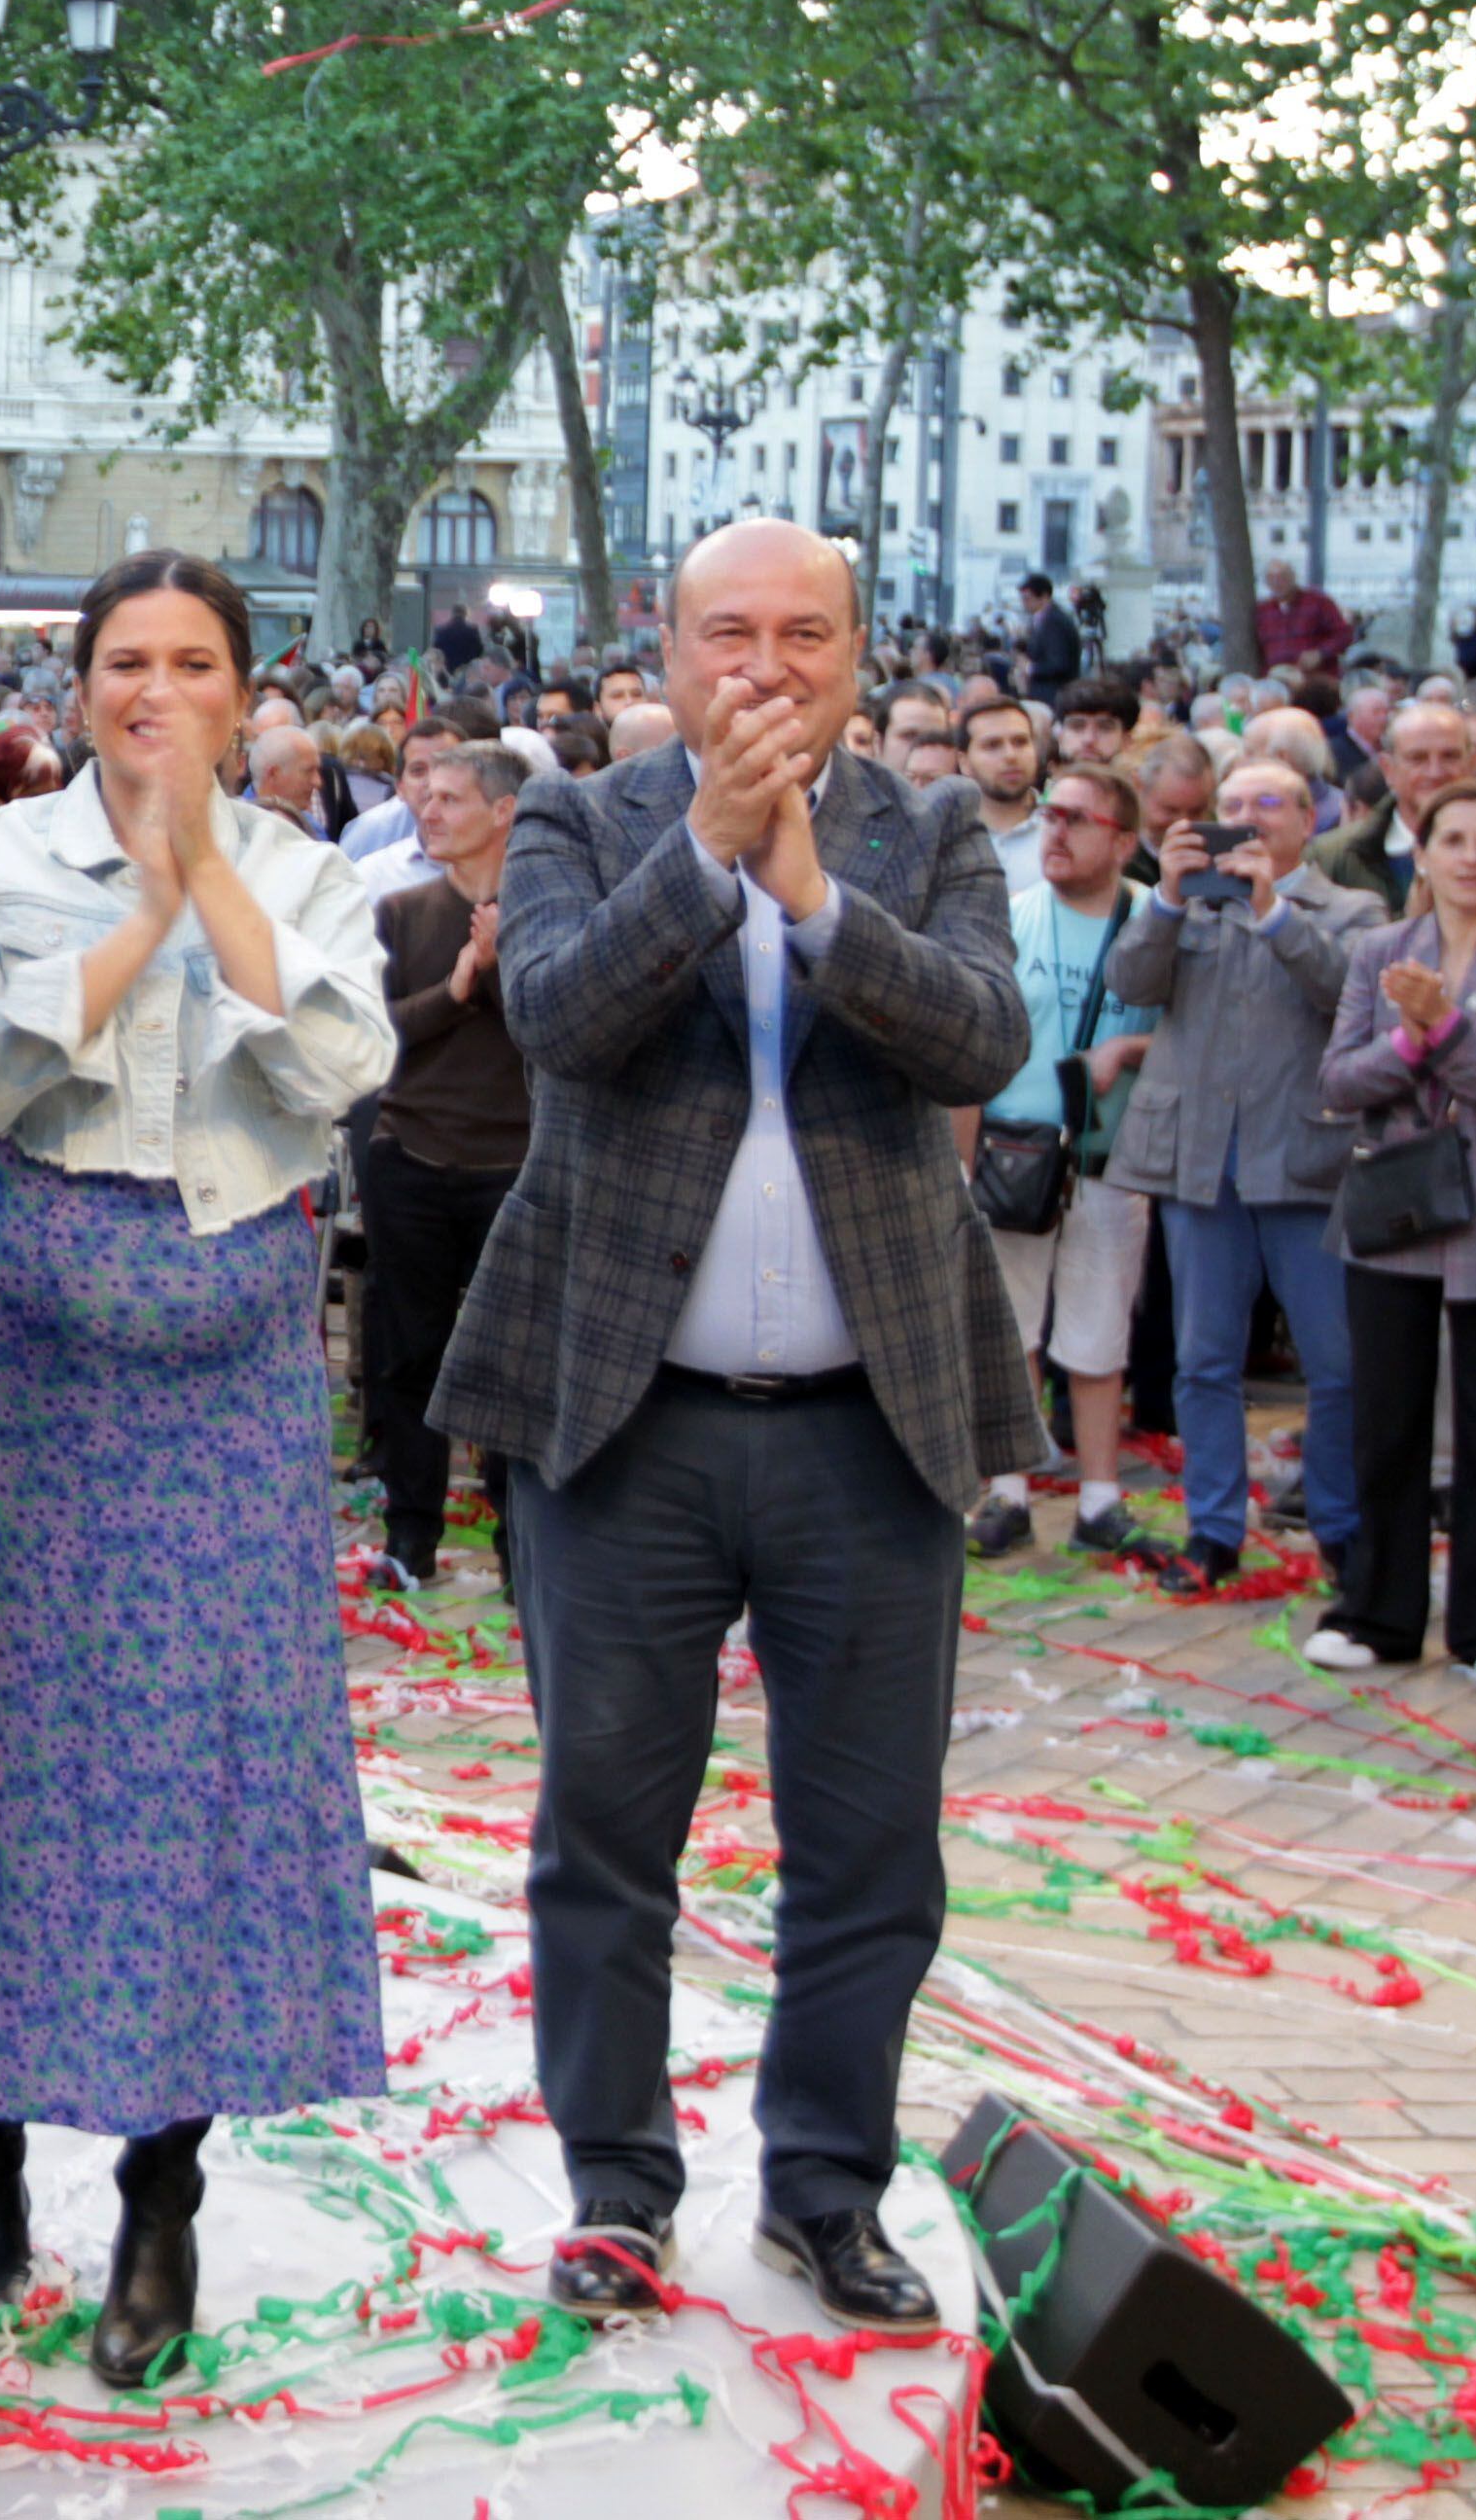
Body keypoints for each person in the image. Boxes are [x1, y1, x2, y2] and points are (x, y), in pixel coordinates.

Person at [428, 518, 1038, 2338]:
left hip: (873, 1427)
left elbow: (984, 1040)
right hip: (624, 1425)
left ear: (857, 655)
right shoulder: (584, 817)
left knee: (870, 1845)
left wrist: (818, 906)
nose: (762, 668)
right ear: (670, 651)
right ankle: (617, 2188)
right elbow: (551, 1014)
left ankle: (824, 2190)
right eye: (725, 635)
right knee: (604, 1827)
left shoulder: (924, 834)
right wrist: (704, 860)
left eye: (801, 635)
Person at [0, 551, 396, 2395]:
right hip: (23, 1354)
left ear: (244, 686)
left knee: (194, 1770)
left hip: (228, 1373)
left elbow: (341, 1064)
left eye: (194, 661)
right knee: (3, 1733)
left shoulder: (311, 872)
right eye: (126, 660)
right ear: (82, 679)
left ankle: (161, 2188)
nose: (156, 689)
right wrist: (135, 910)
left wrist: (210, 883)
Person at [1106, 758, 1367, 1593]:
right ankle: (1213, 1527)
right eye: (1231, 804)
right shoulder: (1181, 904)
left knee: (1336, 1362)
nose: (1246, 817)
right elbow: (1130, 983)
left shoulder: (1352, 909)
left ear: (1308, 820)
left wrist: (1274, 913)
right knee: (1202, 1360)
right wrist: (1168, 898)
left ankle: (1339, 1524)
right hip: (1198, 1159)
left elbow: (1346, 994)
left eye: (1266, 804)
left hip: (1305, 1159)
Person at [1305, 777, 1476, 1682]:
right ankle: (1376, 1611)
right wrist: (1408, 1044)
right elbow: (1337, 1083)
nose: (1471, 858)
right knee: (1387, 1419)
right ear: (1425, 850)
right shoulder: (1379, 950)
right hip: (1392, 1202)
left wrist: (1441, 1026)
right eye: (1455, 840)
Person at [961, 766, 1164, 1561]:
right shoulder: (1012, 918)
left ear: (1123, 840)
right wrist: (964, 1159)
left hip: (1112, 1157)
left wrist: (1133, 1047)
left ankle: (1100, 1498)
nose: (1056, 831)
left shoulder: (1154, 919)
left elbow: (1193, 1031)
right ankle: (1008, 1490)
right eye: (1050, 815)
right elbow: (976, 1050)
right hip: (1018, 1149)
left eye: (1079, 819)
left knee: (1099, 1329)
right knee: (1013, 1328)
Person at [363, 741, 534, 1588]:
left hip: (514, 1161)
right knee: (406, 1353)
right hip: (412, 1148)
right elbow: (376, 1035)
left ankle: (520, 1546)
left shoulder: (546, 909)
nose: (429, 810)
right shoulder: (402, 911)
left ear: (503, 812)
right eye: (423, 796)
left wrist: (503, 971)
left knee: (510, 1362)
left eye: (451, 799)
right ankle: (411, 1537)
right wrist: (461, 984)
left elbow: (559, 1035)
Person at [1303, 700, 1476, 922]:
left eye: (1450, 756)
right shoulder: (1331, 856)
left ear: (1472, 763)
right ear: (1388, 769)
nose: (1435, 772)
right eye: (1417, 759)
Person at [955, 697, 1044, 898]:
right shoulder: (948, 836)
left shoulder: (1063, 829)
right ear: (964, 762)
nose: (1010, 755)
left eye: (1020, 742)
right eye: (992, 745)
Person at [1017, 573, 1083, 704]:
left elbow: (1059, 664)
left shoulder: (1054, 622)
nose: (1023, 603)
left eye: (1027, 598)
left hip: (1052, 696)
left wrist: (1029, 668)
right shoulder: (1043, 620)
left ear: (1044, 596)